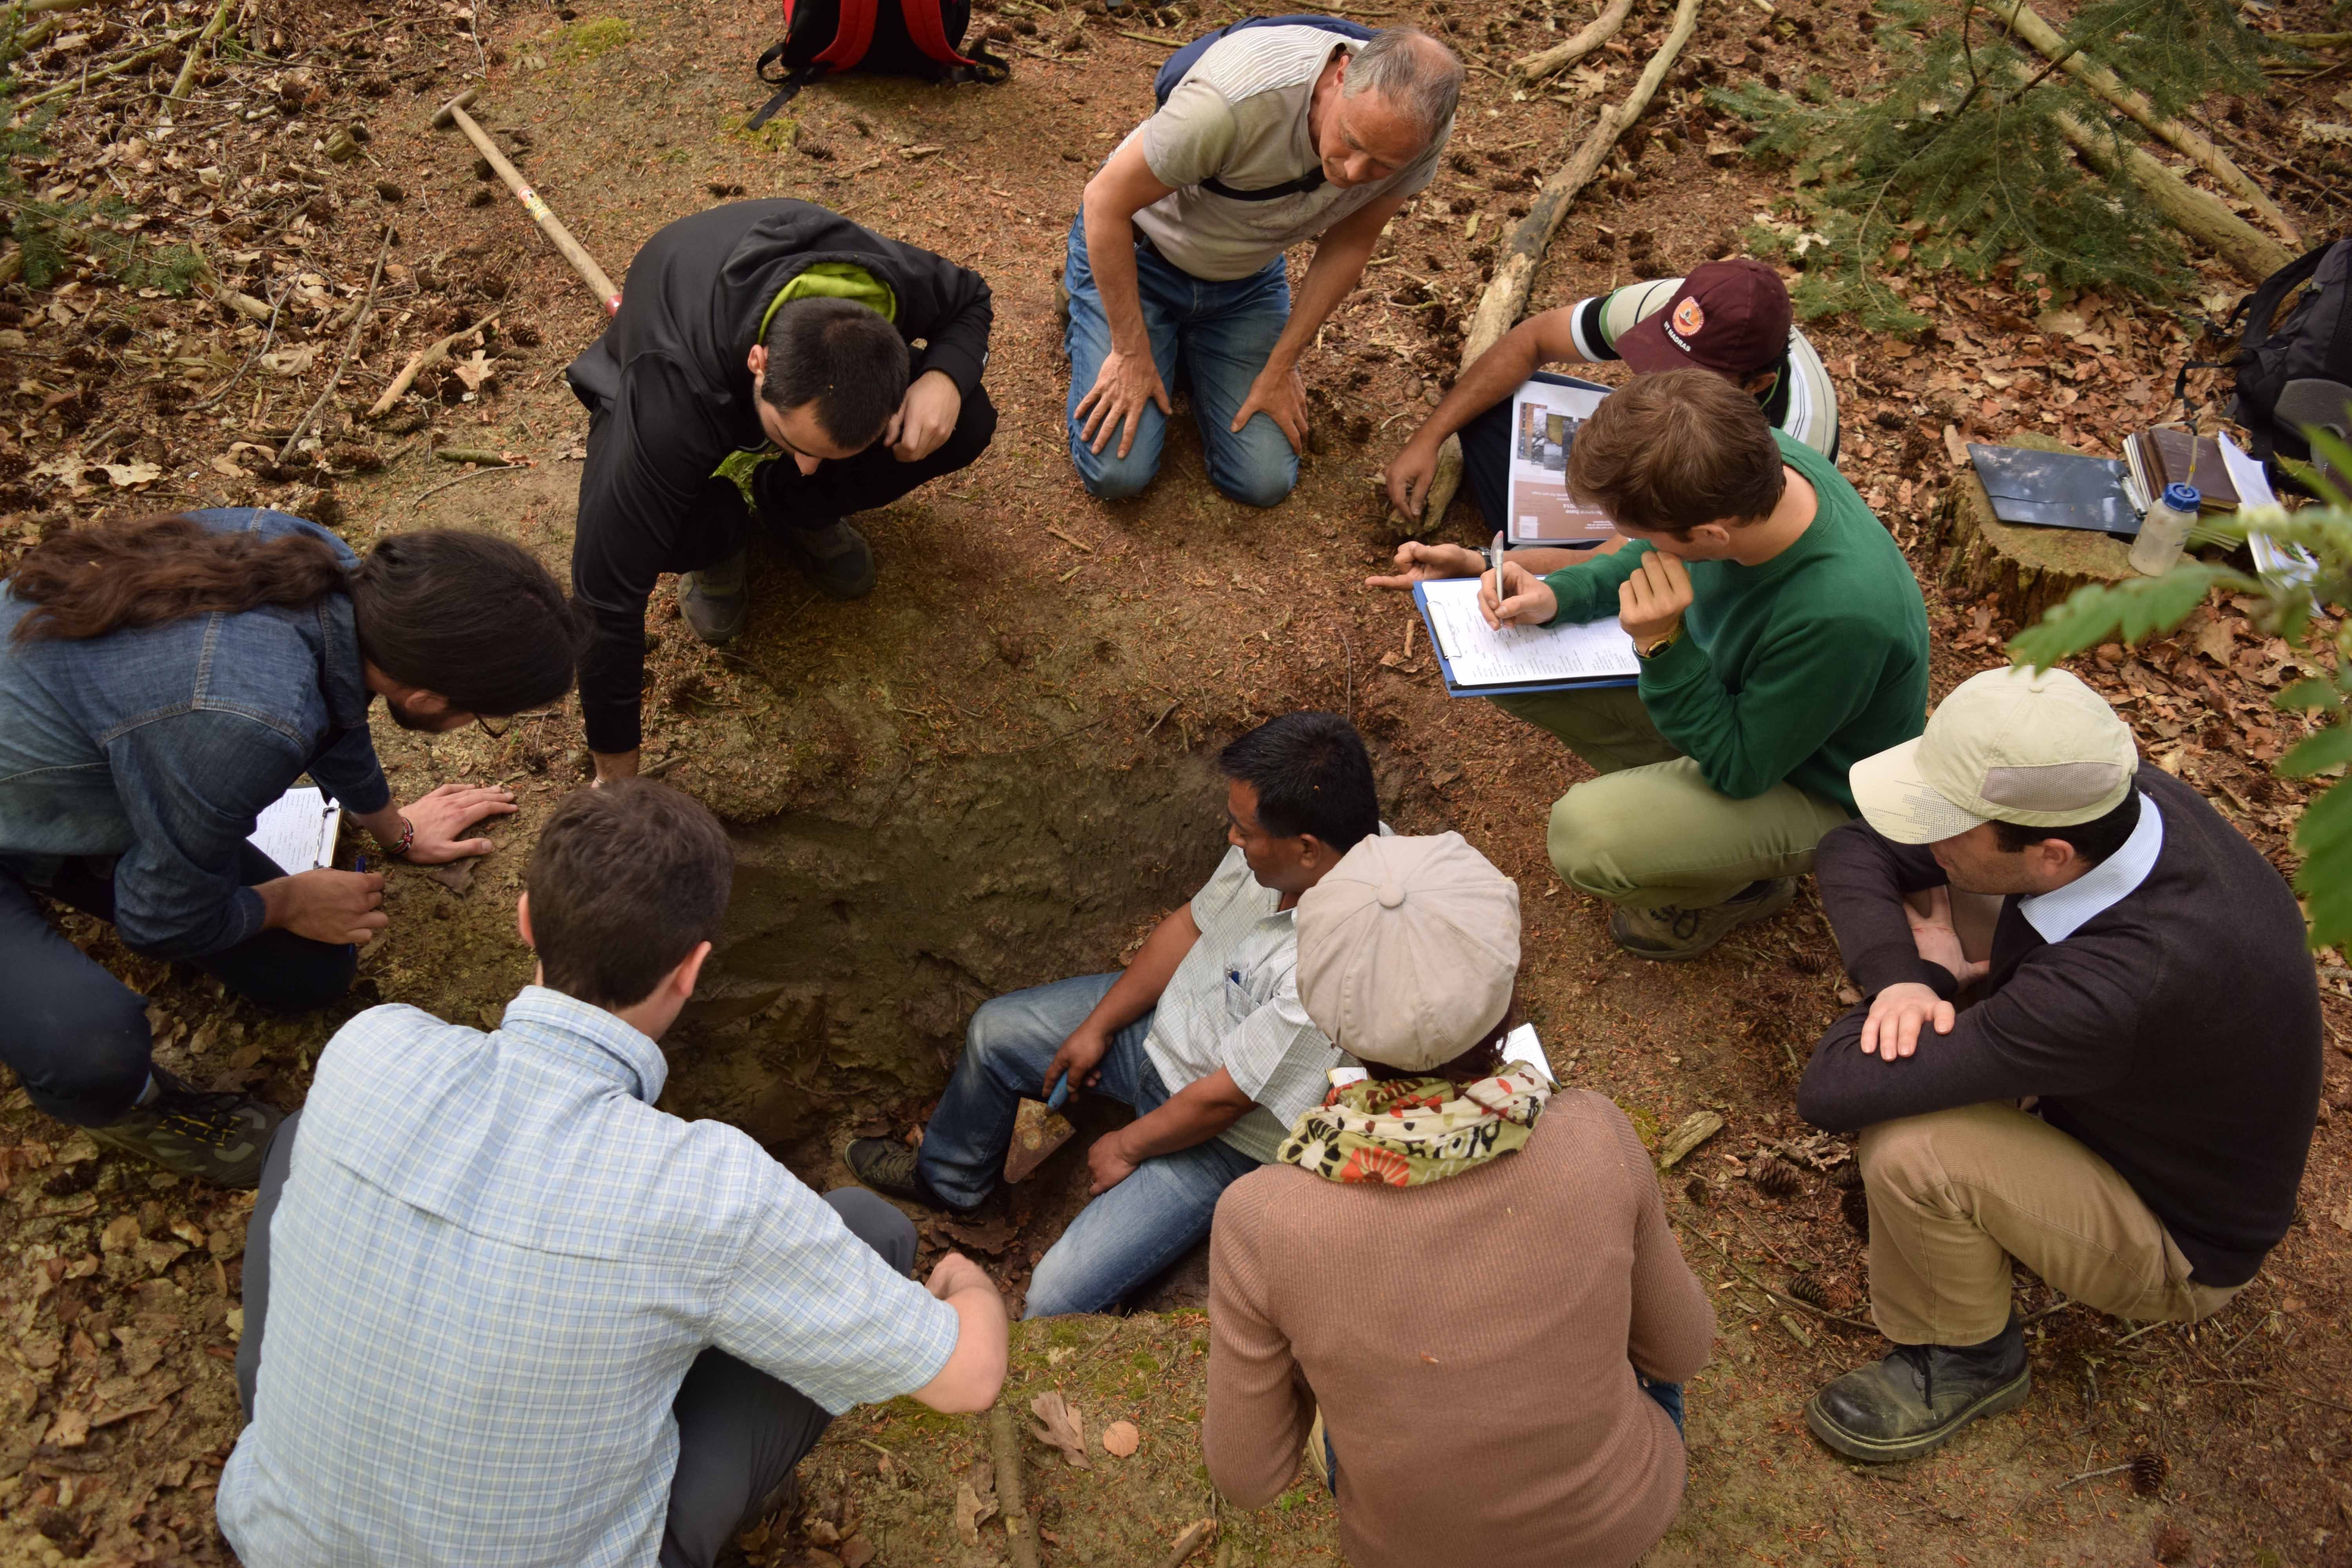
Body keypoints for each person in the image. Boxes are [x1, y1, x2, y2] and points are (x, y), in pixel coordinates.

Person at [220, 780, 1010, 1567]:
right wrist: (967, 1284)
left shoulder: (372, 1047)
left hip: (281, 1540)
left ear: (526, 919)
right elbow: (970, 1379)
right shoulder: (712, 1193)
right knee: (871, 1229)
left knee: (296, 1137)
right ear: (692, 969)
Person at [1796, 667, 2321, 1462]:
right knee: (1951, 896)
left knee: (1912, 1148)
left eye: (1950, 825)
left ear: (2050, 855)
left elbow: (1835, 1088)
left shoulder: (2118, 985)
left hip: (2174, 1237)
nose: (1928, 839)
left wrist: (1935, 973)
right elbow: (1857, 843)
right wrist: (1903, 979)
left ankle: (1967, 1356)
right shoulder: (2107, 800)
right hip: (2122, 1090)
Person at [0, 510, 581, 1186]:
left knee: (308, 973)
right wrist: (284, 903)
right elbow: (159, 920)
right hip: (31, 811)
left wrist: (395, 829)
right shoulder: (247, 723)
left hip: (57, 776)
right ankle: (132, 1105)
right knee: (92, 1049)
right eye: (479, 717)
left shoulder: (325, 567)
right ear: (425, 698)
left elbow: (338, 713)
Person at [1203, 832, 1714, 1568]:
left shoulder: (1260, 1218)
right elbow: (1681, 1349)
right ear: (1507, 990)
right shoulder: (1595, 1132)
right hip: (1617, 1521)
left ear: (1325, 1012)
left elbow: (1248, 1476)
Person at [846, 711, 1381, 1316]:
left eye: (1244, 830)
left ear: (1306, 849)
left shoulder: (1340, 963)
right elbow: (1191, 927)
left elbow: (1226, 1100)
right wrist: (1098, 1027)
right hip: (1162, 1032)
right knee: (996, 1033)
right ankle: (950, 1182)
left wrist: (1126, 1147)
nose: (1232, 837)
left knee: (1054, 1299)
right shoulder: (1282, 846)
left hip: (1221, 1138)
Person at [1397, 369, 1929, 959]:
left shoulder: (1841, 615)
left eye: (1646, 532)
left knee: (1589, 838)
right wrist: (1559, 596)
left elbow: (1742, 768)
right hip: (1751, 706)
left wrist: (1662, 647)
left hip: (1823, 785)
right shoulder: (1747, 464)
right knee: (1506, 659)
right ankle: (1683, 814)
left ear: (1710, 536)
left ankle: (1743, 885)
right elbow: (1650, 552)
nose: (1636, 542)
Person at [567, 199, 997, 782]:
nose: (809, 465)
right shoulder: (669, 395)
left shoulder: (887, 282)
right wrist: (616, 780)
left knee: (967, 419)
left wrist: (945, 377)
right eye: (792, 442)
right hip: (687, 346)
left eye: (830, 455)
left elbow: (971, 297)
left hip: (769, 354)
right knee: (649, 524)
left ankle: (792, 508)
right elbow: (606, 601)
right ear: (760, 361)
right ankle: (721, 539)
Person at [1065, 23, 1461, 507]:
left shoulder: (1417, 135)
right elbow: (1105, 201)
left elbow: (1351, 242)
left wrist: (1282, 365)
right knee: (1117, 472)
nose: (1353, 173)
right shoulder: (1234, 100)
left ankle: (1175, 345)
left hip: (1243, 281)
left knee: (1264, 479)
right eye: (1351, 140)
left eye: (1383, 165)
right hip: (1144, 253)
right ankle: (1099, 304)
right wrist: (1129, 351)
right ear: (1342, 74)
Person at [1381, 258, 1840, 530]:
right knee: (1491, 412)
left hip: (1717, 498)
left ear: (1756, 385)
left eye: (1689, 379)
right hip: (1666, 454)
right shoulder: (1669, 307)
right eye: (1656, 359)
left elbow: (1729, 551)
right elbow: (1532, 341)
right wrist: (1430, 437)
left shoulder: (1790, 447)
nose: (1658, 382)